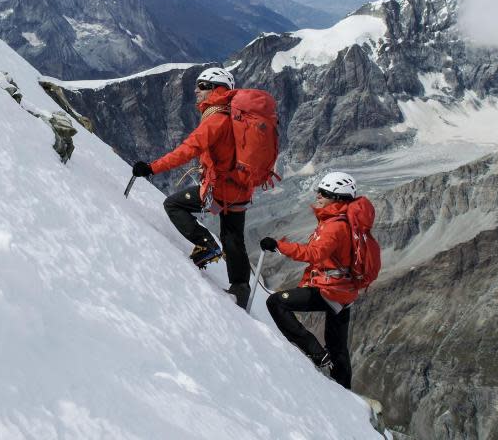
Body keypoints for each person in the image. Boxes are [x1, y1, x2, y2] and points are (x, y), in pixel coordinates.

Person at [132, 67, 253, 308]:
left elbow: (187, 150)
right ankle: (240, 292)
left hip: (220, 190)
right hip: (240, 188)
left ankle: (206, 246)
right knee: (233, 238)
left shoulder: (215, 119)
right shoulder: (233, 115)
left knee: (174, 204)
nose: (196, 90)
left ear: (216, 89)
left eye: (202, 86)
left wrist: (152, 167)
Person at [259, 172, 375, 389]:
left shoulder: (335, 226)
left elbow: (314, 254)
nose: (318, 195)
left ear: (338, 198)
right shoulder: (345, 220)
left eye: (324, 192)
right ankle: (345, 394)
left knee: (276, 302)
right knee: (338, 347)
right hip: (344, 291)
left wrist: (278, 245)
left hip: (329, 290)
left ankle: (315, 352)